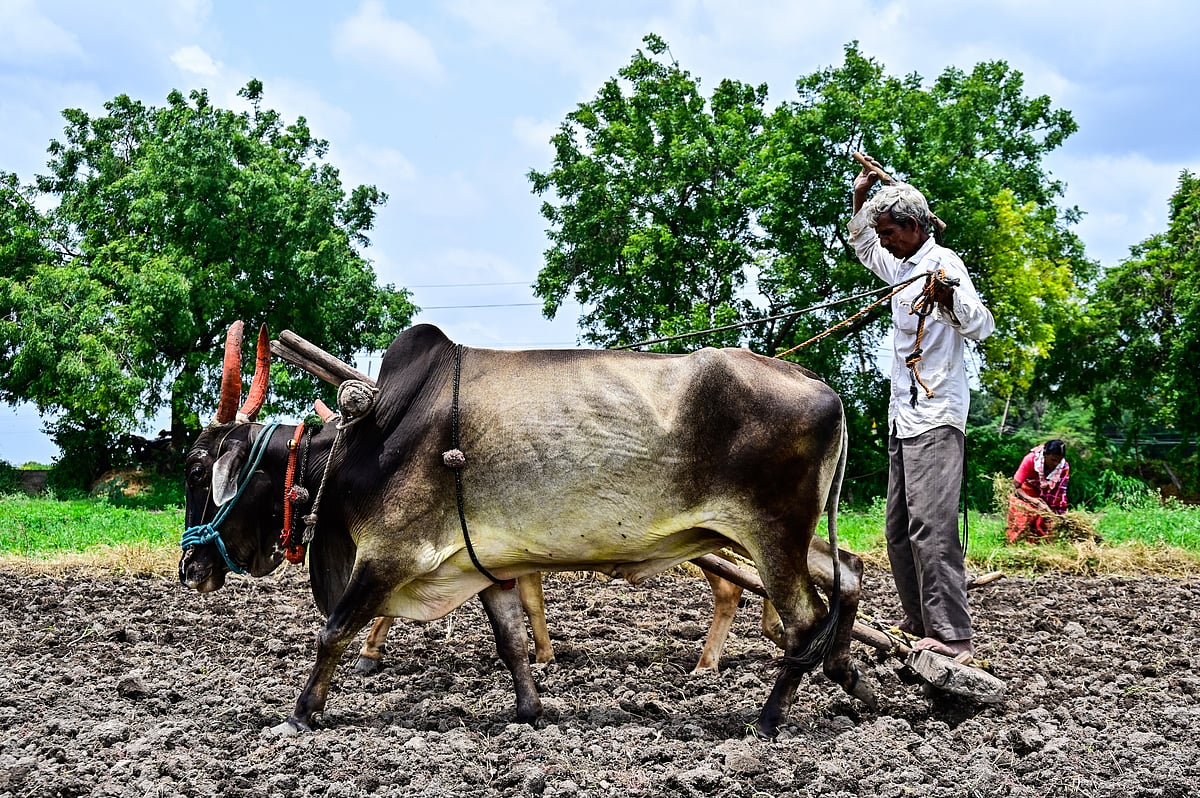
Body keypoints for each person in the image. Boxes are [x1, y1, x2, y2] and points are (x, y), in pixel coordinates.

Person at [849, 157, 995, 658]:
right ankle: (919, 624)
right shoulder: (903, 265)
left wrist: (947, 295)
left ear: (914, 227)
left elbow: (981, 325)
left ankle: (953, 636)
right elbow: (864, 247)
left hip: (936, 416)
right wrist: (860, 195)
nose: (884, 240)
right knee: (897, 532)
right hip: (903, 416)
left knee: (932, 528)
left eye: (890, 232)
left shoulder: (943, 264)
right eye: (884, 233)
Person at [1006, 439, 1070, 543]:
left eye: (1059, 460)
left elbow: (1060, 493)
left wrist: (1056, 513)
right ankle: (1014, 543)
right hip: (1025, 492)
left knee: (1046, 523)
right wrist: (1034, 501)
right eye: (1053, 460)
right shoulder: (1030, 460)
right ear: (1045, 454)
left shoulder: (1063, 467)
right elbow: (1016, 486)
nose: (1056, 464)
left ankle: (1037, 544)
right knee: (1023, 518)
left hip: (1047, 496)